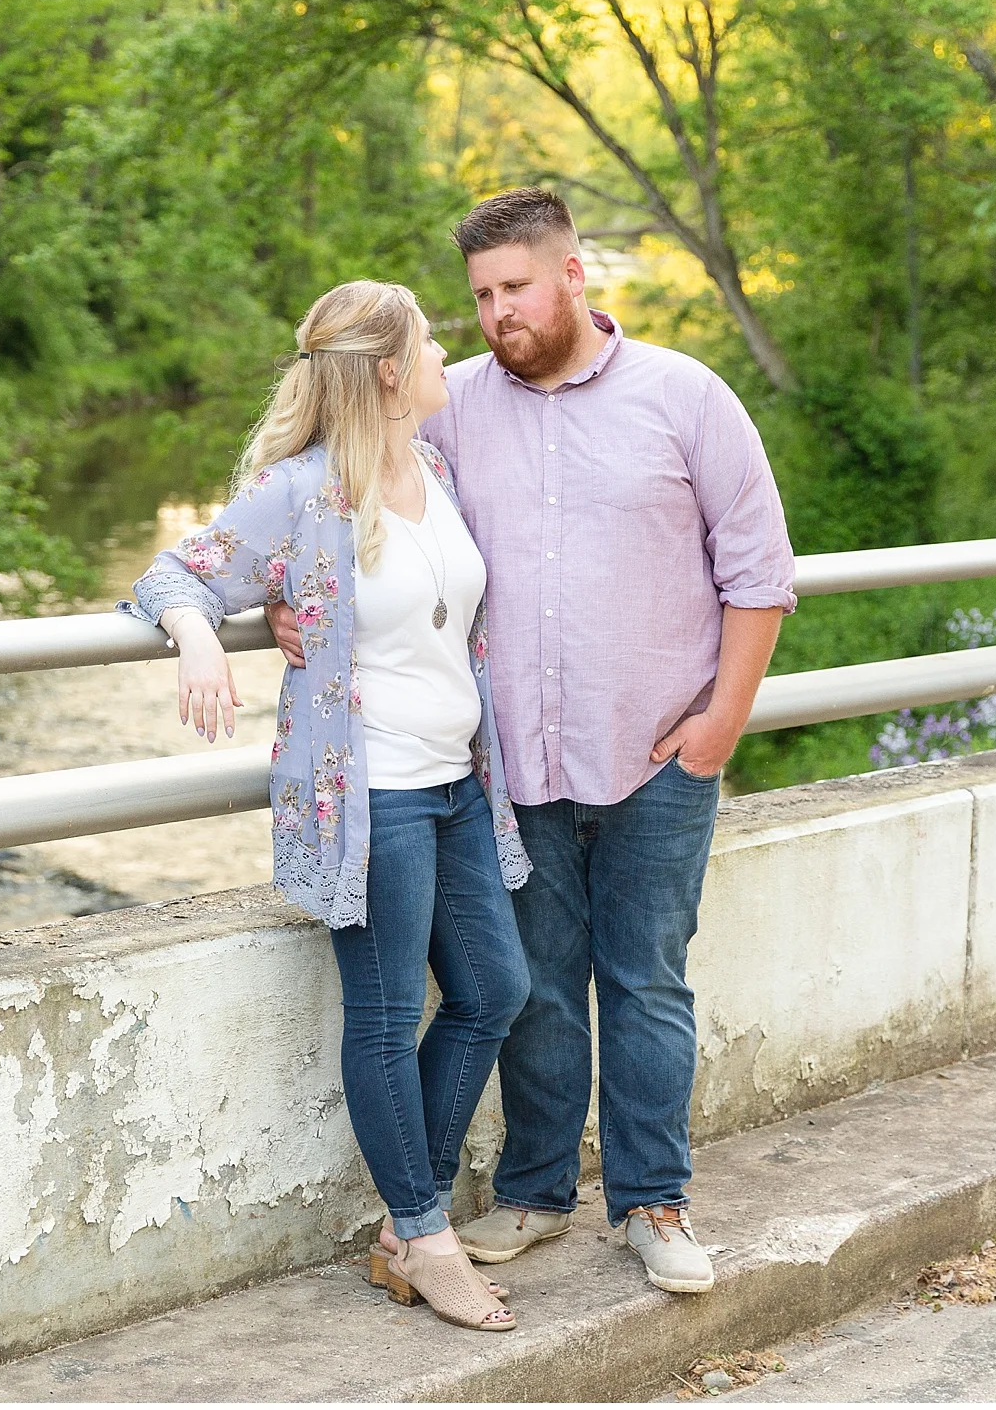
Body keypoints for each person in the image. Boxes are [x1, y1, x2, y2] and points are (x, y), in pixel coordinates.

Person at [269, 190, 796, 1295]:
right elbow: (322, 482)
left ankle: (653, 1203)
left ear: (572, 277)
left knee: (645, 981)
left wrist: (720, 723)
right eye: (479, 296)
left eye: (515, 287)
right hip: (509, 767)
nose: (498, 312)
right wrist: (290, 597)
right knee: (537, 988)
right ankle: (537, 1192)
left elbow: (759, 573)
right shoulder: (445, 402)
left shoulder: (685, 397)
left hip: (657, 754)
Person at [128, 280, 534, 1333]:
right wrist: (208, 631)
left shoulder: (434, 467)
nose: (451, 350)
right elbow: (174, 571)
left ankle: (408, 1223)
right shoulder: (300, 491)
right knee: (390, 1014)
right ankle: (424, 1232)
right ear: (390, 371)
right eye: (433, 339)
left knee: (495, 988)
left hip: (456, 782)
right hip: (374, 799)